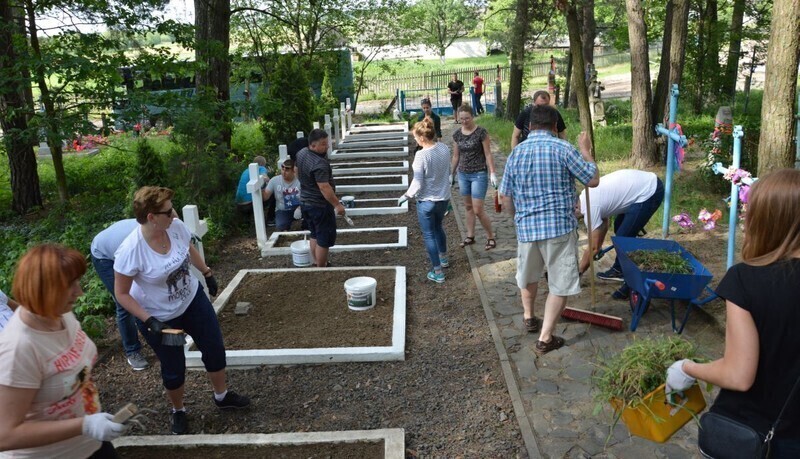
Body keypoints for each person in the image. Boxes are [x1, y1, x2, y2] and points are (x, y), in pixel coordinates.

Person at [665, 169, 800, 457]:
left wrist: (687, 368)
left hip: (757, 437)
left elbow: (739, 374)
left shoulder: (746, 279)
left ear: (766, 219)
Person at [114, 186, 249, 435]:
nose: (174, 214)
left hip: (192, 300)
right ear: (151, 217)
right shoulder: (131, 251)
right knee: (174, 367)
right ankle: (178, 410)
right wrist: (149, 320)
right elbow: (121, 293)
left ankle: (222, 396)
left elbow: (188, 248)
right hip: (160, 317)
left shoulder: (174, 227)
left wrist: (206, 272)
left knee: (214, 348)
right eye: (167, 211)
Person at [0, 244, 128, 457]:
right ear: (43, 290)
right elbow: (4, 435)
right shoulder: (18, 349)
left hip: (91, 445)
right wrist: (84, 425)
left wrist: (90, 423)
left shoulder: (61, 314)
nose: (79, 292)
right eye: (70, 285)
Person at [498, 104, 598, 355]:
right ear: (555, 127)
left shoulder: (516, 153)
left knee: (528, 276)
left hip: (527, 229)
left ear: (529, 126)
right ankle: (545, 338)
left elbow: (505, 196)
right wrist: (586, 151)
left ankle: (529, 316)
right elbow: (593, 180)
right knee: (559, 283)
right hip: (559, 229)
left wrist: (517, 220)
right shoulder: (565, 149)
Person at [575, 169, 664, 298]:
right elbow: (603, 224)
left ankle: (629, 282)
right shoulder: (586, 195)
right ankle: (618, 269)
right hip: (642, 183)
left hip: (649, 191)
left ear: (576, 207)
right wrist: (598, 247)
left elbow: (592, 247)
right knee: (619, 228)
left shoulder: (589, 208)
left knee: (623, 238)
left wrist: (580, 271)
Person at [91, 218, 149, 371]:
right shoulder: (135, 244)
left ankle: (157, 337)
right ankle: (133, 351)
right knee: (124, 301)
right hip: (104, 257)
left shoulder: (159, 229)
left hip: (115, 245)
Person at [398, 118, 452, 283]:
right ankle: (443, 258)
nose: (414, 140)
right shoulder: (444, 148)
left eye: (415, 137)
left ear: (422, 138)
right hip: (443, 199)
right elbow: (447, 173)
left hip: (427, 202)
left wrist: (406, 196)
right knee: (438, 228)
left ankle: (437, 272)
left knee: (429, 235)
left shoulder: (421, 155)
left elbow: (417, 182)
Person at [296, 129, 346, 268]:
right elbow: (324, 187)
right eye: (323, 144)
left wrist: (306, 185)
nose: (327, 146)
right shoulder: (319, 163)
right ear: (312, 145)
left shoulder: (301, 153)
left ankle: (316, 262)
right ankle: (322, 266)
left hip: (305, 202)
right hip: (319, 205)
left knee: (314, 234)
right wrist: (337, 205)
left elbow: (296, 170)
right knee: (323, 238)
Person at [451, 104, 497, 251]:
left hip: (479, 173)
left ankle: (490, 236)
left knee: (478, 209)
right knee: (468, 207)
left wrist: (492, 172)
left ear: (472, 117)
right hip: (463, 174)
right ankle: (470, 235)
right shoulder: (457, 134)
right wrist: (451, 174)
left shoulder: (481, 132)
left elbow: (488, 153)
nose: (464, 121)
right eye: (461, 119)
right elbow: (456, 155)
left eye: (467, 118)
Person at [235, 155, 275, 225]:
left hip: (239, 203)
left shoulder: (246, 170)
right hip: (251, 203)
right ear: (263, 164)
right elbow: (265, 178)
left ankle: (246, 224)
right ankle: (270, 219)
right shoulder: (261, 168)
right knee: (273, 194)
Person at [264, 159, 302, 231]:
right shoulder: (275, 180)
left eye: (287, 170)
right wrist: (261, 188)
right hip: (282, 210)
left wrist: (300, 208)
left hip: (299, 208)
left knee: (308, 224)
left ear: (293, 171)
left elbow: (307, 196)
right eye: (282, 169)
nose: (284, 172)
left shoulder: (300, 180)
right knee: (281, 226)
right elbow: (266, 196)